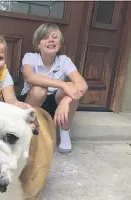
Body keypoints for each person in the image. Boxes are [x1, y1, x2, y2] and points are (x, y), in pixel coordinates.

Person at [18, 23, 88, 153]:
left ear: (60, 44)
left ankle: (65, 132)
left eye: (55, 37)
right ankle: (25, 130)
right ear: (38, 44)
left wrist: (66, 101)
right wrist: (62, 84)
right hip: (32, 101)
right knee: (40, 89)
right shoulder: (30, 57)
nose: (50, 40)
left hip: (54, 106)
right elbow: (30, 77)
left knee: (72, 88)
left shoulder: (64, 60)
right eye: (45, 38)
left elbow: (82, 84)